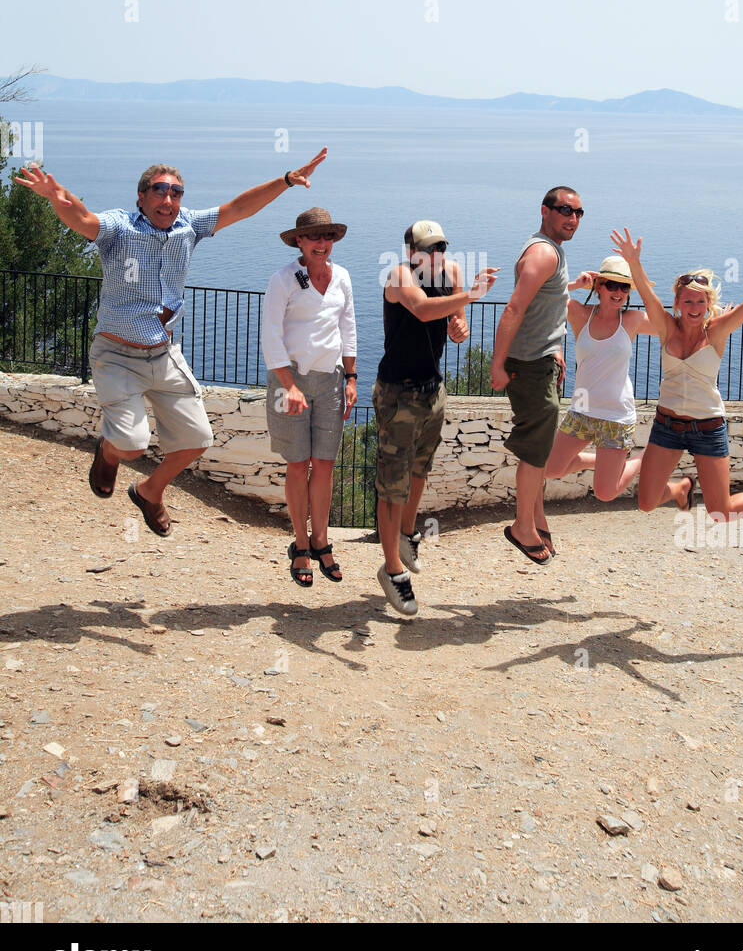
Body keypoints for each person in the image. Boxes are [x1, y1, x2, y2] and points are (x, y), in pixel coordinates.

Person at [14, 152, 326, 535]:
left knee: (197, 439)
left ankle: (150, 491)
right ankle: (109, 452)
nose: (168, 200)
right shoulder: (119, 227)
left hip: (163, 353)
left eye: (176, 192)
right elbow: (82, 218)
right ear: (141, 197)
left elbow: (239, 208)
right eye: (159, 191)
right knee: (131, 445)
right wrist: (56, 196)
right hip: (117, 354)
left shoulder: (188, 226)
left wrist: (287, 179)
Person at [611, 228, 743, 526]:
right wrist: (633, 262)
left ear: (708, 303)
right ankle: (681, 489)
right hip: (667, 426)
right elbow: (646, 292)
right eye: (688, 302)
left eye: (700, 302)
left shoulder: (716, 332)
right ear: (677, 303)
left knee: (721, 513)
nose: (694, 308)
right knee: (645, 503)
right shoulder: (667, 328)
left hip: (707, 428)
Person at [374, 221, 498, 616]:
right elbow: (424, 310)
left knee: (420, 469)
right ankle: (392, 570)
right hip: (398, 391)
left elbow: (455, 324)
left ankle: (407, 535)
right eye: (427, 248)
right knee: (392, 485)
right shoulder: (398, 276)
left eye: (440, 248)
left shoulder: (452, 274)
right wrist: (471, 296)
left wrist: (461, 324)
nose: (435, 255)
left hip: (433, 388)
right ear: (410, 250)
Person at [542, 255, 694, 513]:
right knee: (550, 469)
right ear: (598, 286)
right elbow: (543, 294)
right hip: (582, 411)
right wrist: (576, 284)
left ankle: (642, 460)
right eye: (611, 285)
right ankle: (601, 461)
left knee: (605, 493)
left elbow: (674, 327)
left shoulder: (633, 319)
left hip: (615, 416)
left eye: (624, 287)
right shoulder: (580, 314)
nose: (618, 292)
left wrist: (712, 317)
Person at [261, 208, 356, 588]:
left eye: (327, 237)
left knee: (326, 464)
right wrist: (290, 385)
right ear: (299, 241)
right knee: (298, 465)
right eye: (314, 237)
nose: (322, 244)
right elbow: (270, 335)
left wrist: (350, 377)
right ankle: (300, 546)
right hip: (290, 381)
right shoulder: (283, 280)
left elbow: (348, 328)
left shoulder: (343, 277)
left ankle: (321, 541)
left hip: (330, 381)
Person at [490, 186, 582, 564]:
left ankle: (536, 517)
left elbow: (545, 301)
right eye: (564, 210)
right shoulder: (544, 252)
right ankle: (521, 526)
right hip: (528, 365)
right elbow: (514, 308)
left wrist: (574, 287)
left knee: (540, 450)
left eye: (578, 212)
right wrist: (497, 364)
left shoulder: (549, 252)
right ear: (545, 210)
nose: (572, 218)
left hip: (540, 360)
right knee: (534, 452)